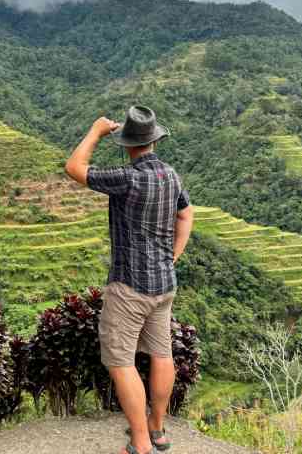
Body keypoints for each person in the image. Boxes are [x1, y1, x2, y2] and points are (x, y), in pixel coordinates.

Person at [65, 105, 194, 454]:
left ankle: (140, 443)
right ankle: (157, 430)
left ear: (127, 144)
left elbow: (74, 168)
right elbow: (186, 215)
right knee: (161, 353)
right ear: (153, 140)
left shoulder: (127, 178)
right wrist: (174, 256)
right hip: (165, 285)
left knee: (120, 362)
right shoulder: (170, 174)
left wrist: (94, 131)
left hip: (130, 286)